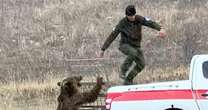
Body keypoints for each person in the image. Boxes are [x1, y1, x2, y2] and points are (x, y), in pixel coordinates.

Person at [99, 5, 166, 85]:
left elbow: (150, 23)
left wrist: (160, 28)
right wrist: (103, 49)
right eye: (131, 16)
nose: (133, 17)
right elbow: (112, 35)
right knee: (132, 53)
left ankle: (128, 80)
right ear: (127, 15)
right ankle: (123, 71)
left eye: (134, 15)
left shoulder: (139, 18)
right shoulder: (122, 23)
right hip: (124, 45)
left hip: (136, 46)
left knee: (141, 64)